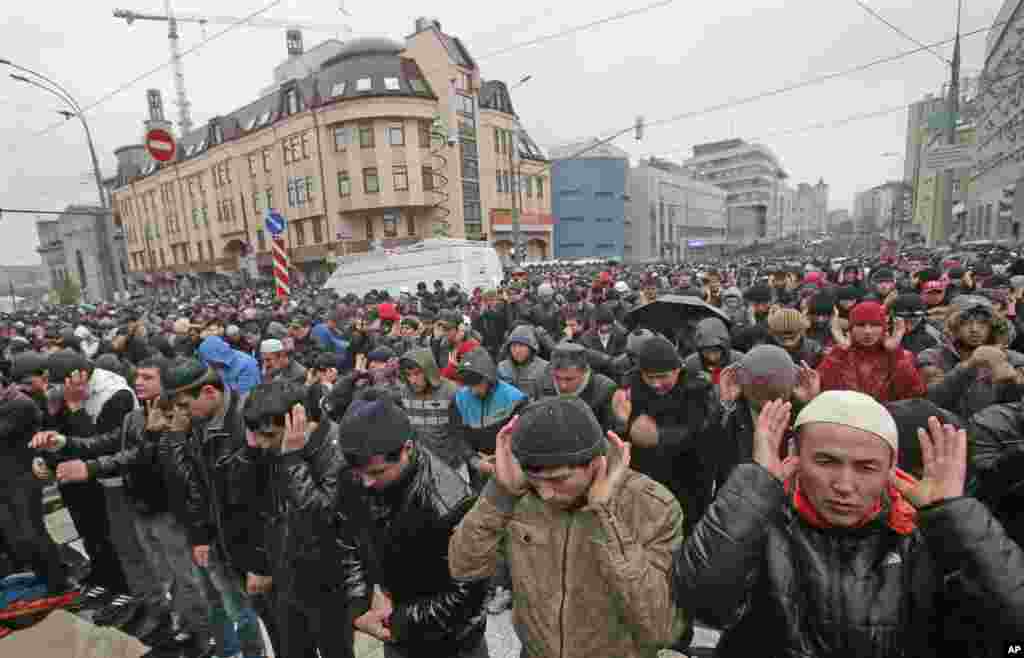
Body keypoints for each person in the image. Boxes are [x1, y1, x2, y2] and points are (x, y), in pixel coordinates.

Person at [673, 391, 1024, 657]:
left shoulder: (923, 534)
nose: (843, 484)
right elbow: (701, 599)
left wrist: (954, 515)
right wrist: (754, 488)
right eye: (825, 461)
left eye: (866, 467)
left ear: (891, 468)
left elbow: (1013, 626)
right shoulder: (761, 519)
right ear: (795, 456)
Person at [448, 398, 687, 658]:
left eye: (559, 480)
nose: (546, 493)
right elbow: (464, 566)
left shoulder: (653, 506)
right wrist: (499, 494)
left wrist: (604, 516)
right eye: (536, 480)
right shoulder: (517, 493)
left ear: (596, 462)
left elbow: (659, 626)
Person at [335, 394, 489, 658]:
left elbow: (468, 595)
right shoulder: (356, 473)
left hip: (453, 643)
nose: (366, 483)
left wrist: (396, 620)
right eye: (359, 473)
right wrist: (360, 602)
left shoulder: (451, 502)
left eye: (376, 473)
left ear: (407, 448)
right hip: (394, 629)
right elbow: (346, 536)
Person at [163, 359, 269, 658]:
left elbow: (261, 500)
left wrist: (259, 563)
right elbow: (191, 484)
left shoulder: (246, 422)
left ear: (209, 392)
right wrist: (202, 533)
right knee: (240, 613)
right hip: (223, 541)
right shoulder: (199, 424)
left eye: (185, 405)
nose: (182, 414)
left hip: (255, 550)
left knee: (265, 621)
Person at [242, 382, 354, 658]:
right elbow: (263, 508)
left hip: (328, 581)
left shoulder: (337, 448)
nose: (262, 443)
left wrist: (292, 461)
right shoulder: (270, 451)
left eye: (269, 435)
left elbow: (323, 515)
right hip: (287, 573)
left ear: (297, 421)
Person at [612, 335, 721, 535]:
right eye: (650, 377)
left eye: (663, 376)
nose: (656, 384)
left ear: (677, 370)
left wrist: (660, 437)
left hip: (688, 483)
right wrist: (622, 423)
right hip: (645, 484)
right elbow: (617, 440)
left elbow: (703, 433)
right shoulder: (630, 389)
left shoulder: (697, 389)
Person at [817, 301, 925, 402]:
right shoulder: (837, 354)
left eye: (874, 325)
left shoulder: (903, 356)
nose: (867, 331)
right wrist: (840, 351)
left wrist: (895, 352)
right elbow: (823, 391)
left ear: (884, 328)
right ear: (851, 328)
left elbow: (915, 394)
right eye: (860, 325)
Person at [398, 348, 462, 474]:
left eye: (417, 374)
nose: (412, 380)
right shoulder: (404, 392)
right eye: (408, 374)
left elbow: (462, 433)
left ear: (429, 371)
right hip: (421, 465)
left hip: (452, 464)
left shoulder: (451, 392)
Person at [496, 325, 549, 400]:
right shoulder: (502, 368)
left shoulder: (544, 368)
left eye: (521, 346)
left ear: (531, 348)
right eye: (513, 346)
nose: (517, 351)